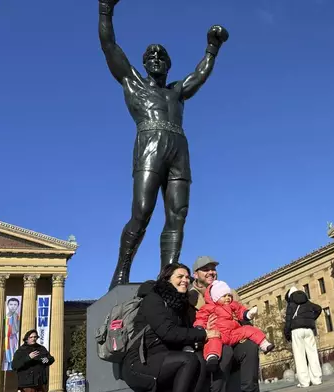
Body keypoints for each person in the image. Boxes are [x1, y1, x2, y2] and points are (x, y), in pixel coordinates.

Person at [98, 0, 230, 290]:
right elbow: (109, 45)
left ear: (169, 65)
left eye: (162, 56)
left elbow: (201, 74)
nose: (156, 58)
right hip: (150, 144)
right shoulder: (133, 82)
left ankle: (168, 276)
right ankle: (121, 272)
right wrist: (105, 9)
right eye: (150, 55)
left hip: (178, 148)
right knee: (142, 211)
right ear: (144, 63)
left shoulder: (177, 91)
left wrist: (212, 48)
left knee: (177, 214)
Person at [121, 263, 209, 392]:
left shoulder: (180, 305)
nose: (185, 280)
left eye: (187, 277)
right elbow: (169, 333)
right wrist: (204, 334)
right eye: (180, 276)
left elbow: (186, 332)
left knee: (200, 360)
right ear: (167, 279)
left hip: (165, 357)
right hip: (141, 362)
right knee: (188, 360)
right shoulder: (153, 299)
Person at [188, 256, 261, 392]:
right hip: (208, 341)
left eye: (213, 269)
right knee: (223, 352)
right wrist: (204, 330)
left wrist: (241, 323)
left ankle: (250, 389)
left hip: (233, 335)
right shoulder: (190, 296)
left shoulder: (229, 292)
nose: (211, 272)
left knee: (250, 346)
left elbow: (243, 314)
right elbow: (190, 323)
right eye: (205, 269)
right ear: (195, 274)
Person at [193, 280, 273, 370]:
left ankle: (264, 344)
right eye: (224, 296)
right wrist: (200, 328)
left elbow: (240, 311)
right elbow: (201, 318)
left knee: (248, 329)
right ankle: (212, 356)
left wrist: (248, 314)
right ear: (216, 297)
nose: (228, 298)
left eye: (229, 295)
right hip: (220, 333)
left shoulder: (233, 305)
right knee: (213, 340)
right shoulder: (209, 307)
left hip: (233, 333)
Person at [284, 286, 323, 388]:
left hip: (296, 331)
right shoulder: (307, 301)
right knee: (312, 353)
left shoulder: (291, 304)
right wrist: (310, 319)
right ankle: (317, 379)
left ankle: (304, 382)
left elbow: (288, 321)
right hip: (309, 330)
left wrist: (287, 335)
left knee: (299, 356)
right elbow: (318, 308)